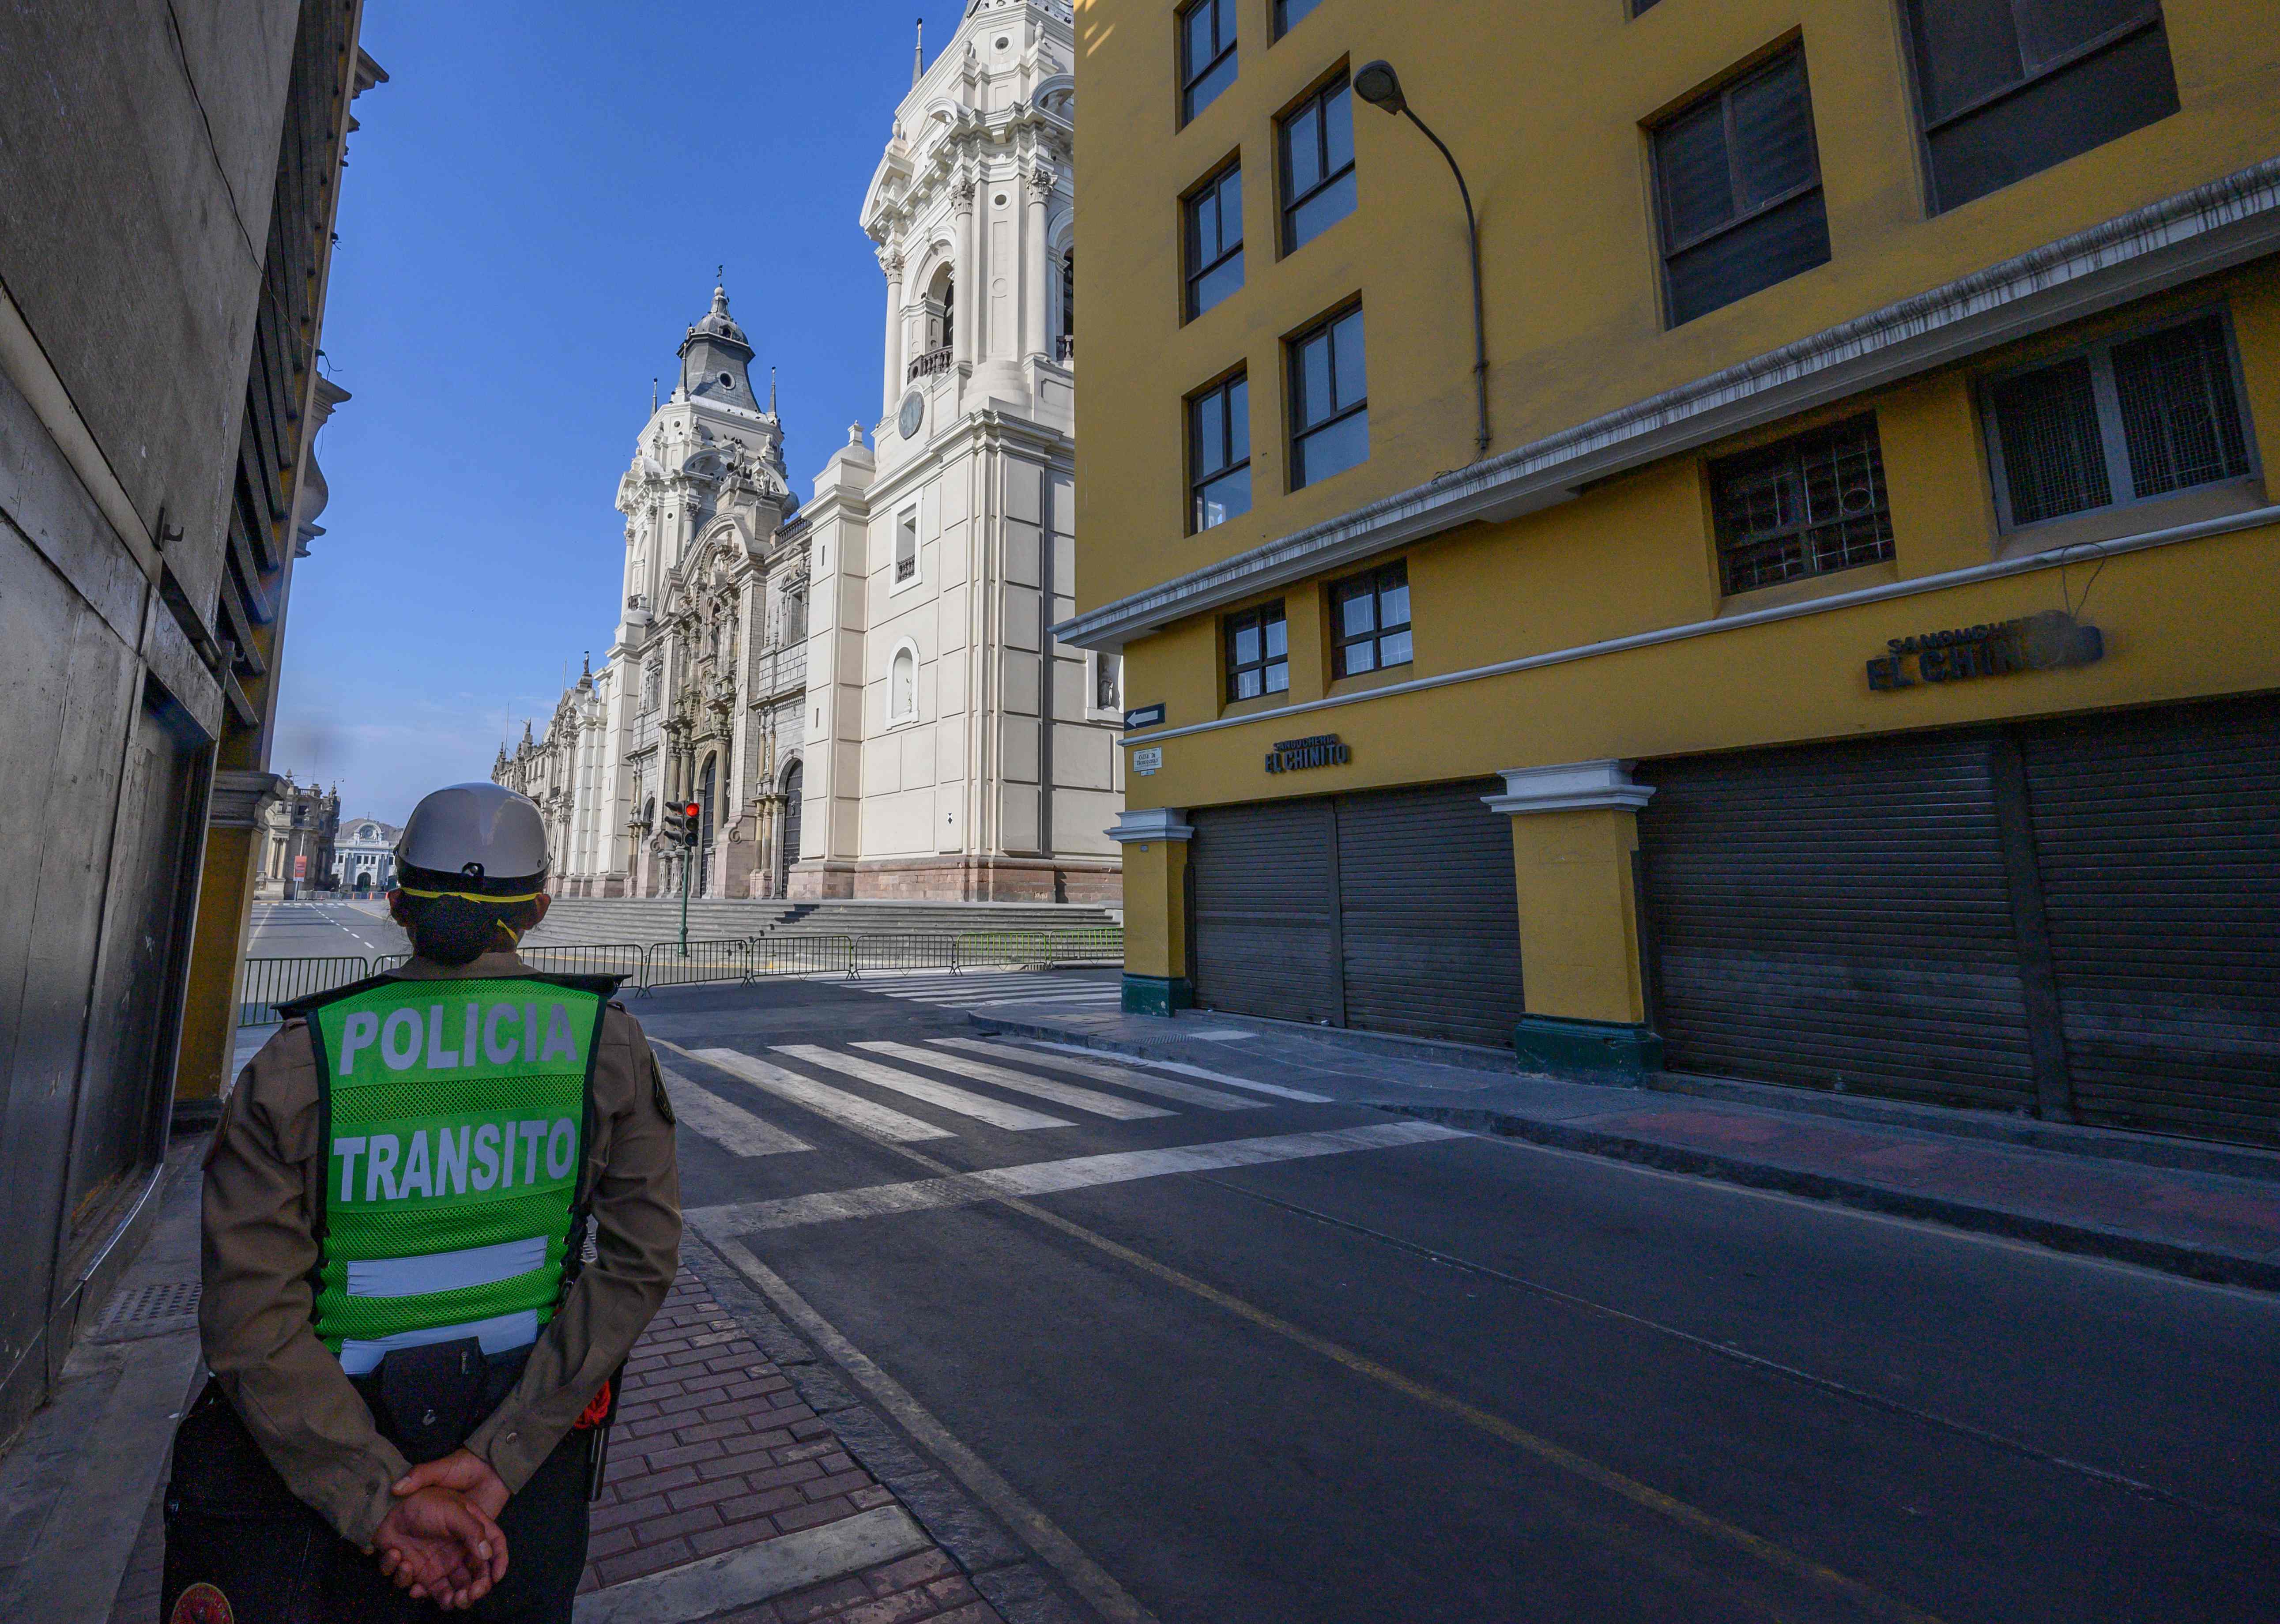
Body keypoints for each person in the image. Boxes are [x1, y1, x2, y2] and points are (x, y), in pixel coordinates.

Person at [162, 783, 682, 1622]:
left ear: (396, 903)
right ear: (540, 907)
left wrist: (377, 1499)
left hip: (322, 1462)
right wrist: (499, 1460)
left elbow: (248, 1317)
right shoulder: (605, 1043)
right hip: (523, 1468)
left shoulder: (304, 1057)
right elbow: (641, 1263)